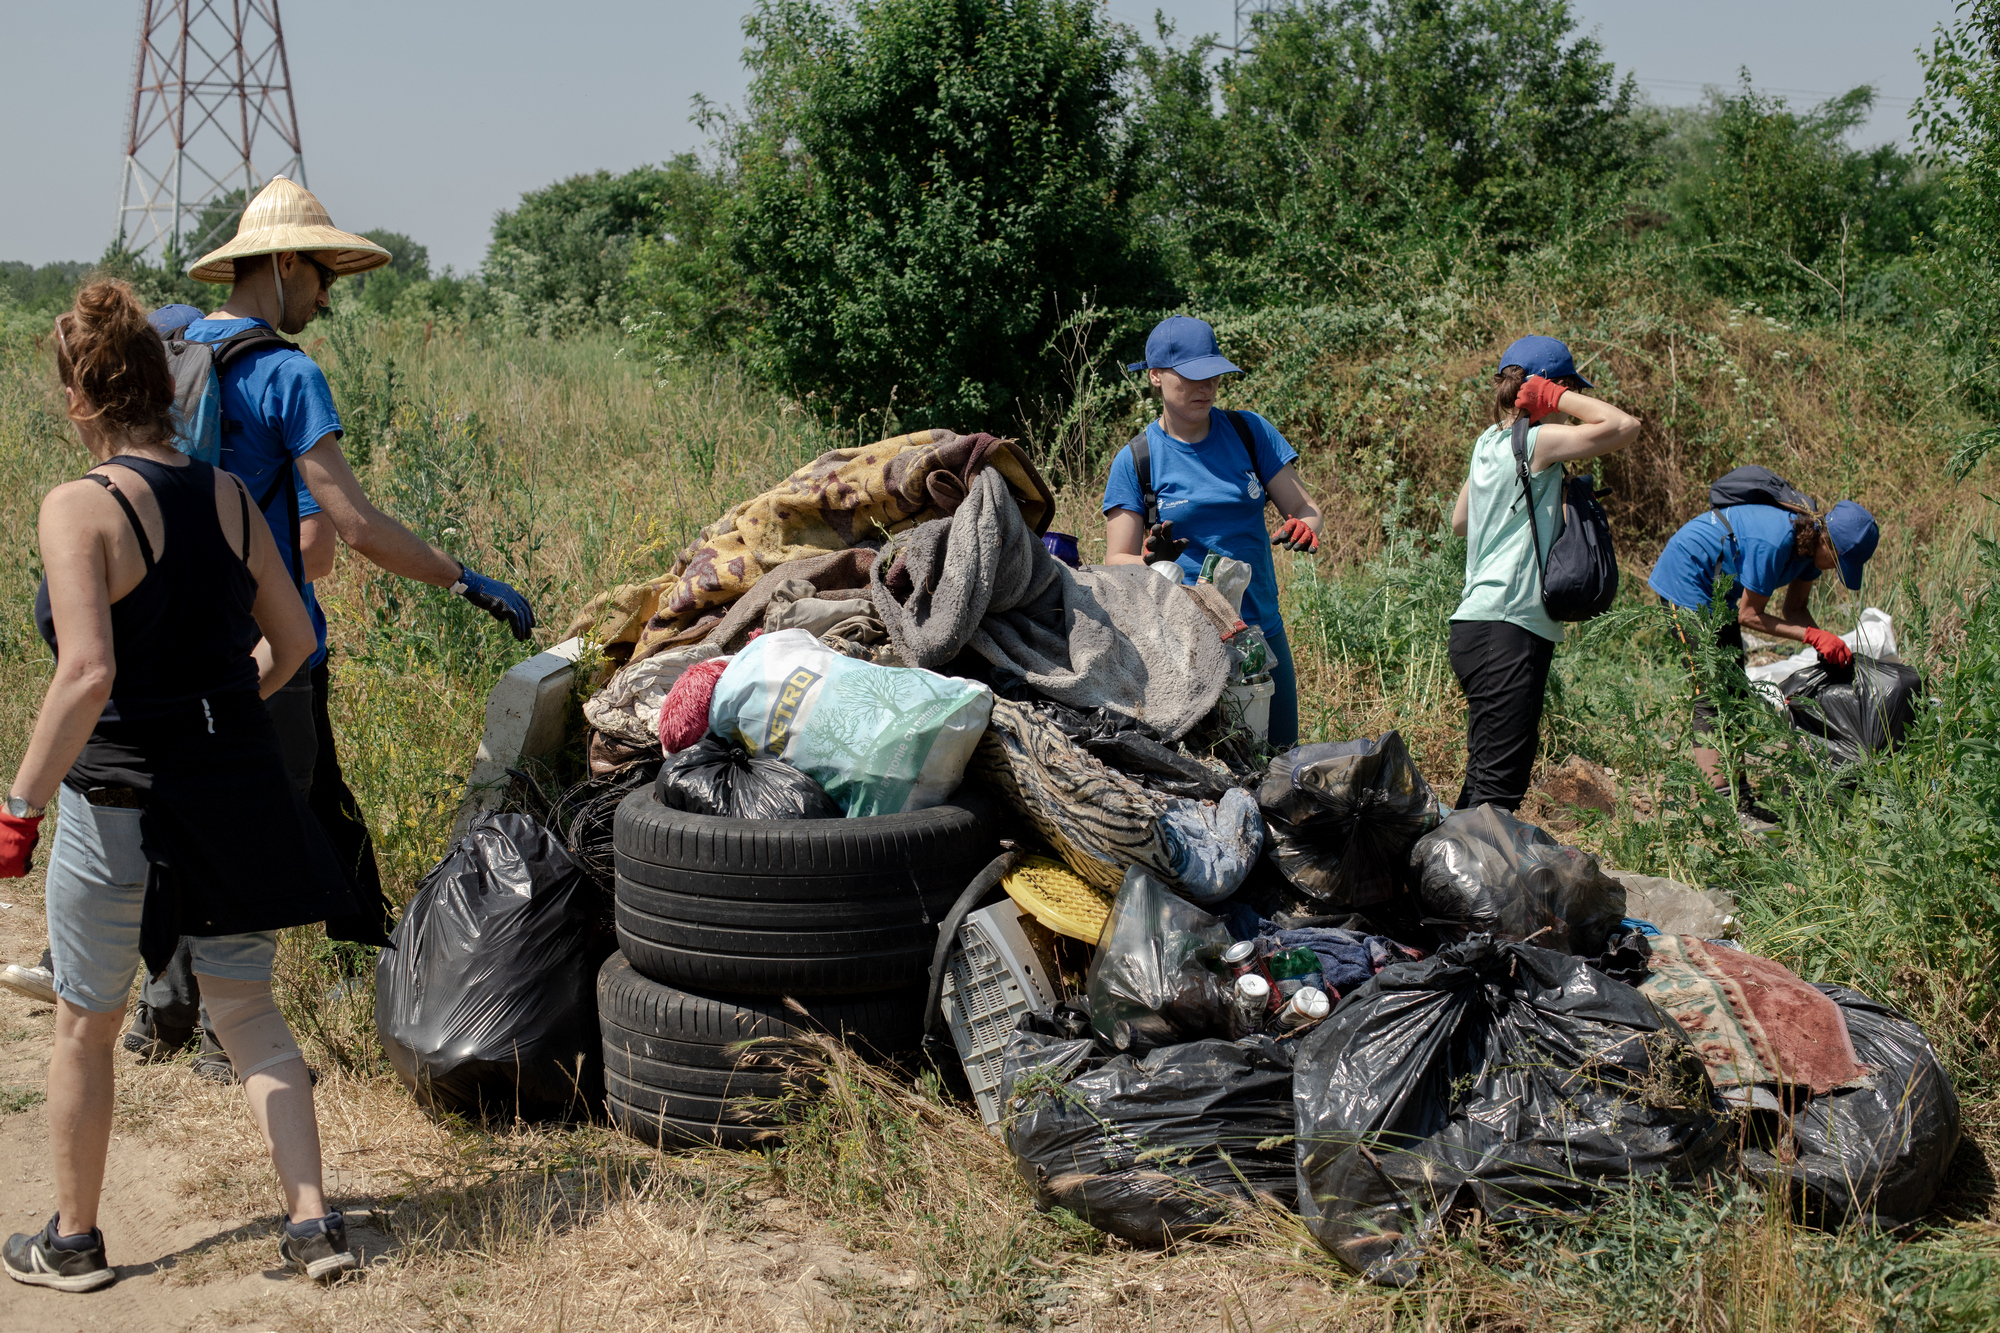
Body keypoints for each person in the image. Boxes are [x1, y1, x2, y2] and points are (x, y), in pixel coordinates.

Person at [120, 176, 537, 1080]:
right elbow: (351, 528)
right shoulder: (285, 372)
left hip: (168, 634)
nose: (326, 296)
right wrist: (463, 578)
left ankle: (163, 1010)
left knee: (186, 817)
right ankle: (228, 1044)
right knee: (252, 836)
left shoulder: (173, 350)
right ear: (278, 266)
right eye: (320, 277)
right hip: (268, 644)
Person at [1, 282, 362, 1290]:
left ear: (79, 400)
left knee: (88, 1018)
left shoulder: (78, 507)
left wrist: (20, 805)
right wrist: (217, 707)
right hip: (233, 793)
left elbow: (86, 674)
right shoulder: (228, 496)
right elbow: (291, 642)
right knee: (248, 1011)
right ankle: (314, 1228)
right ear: (169, 385)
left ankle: (72, 1242)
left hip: (119, 803)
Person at [1102, 316, 1327, 748]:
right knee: (1206, 768)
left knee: (1278, 759)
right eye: (1190, 377)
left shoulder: (1249, 432)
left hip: (1260, 631)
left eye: (1213, 375)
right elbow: (1116, 559)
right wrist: (1154, 562)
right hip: (1184, 641)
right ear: (1155, 376)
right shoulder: (1136, 460)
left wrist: (1304, 525)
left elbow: (1304, 507)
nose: (1205, 387)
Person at [1448, 336, 1640, 811]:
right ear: (1548, 390)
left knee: (1485, 779)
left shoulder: (1488, 443)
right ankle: (1465, 880)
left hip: (1478, 625)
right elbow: (1623, 425)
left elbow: (1459, 522)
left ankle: (1450, 873)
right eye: (1566, 393)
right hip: (1508, 628)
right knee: (1498, 791)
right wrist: (1553, 397)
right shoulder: (1537, 442)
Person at [1648, 483, 1880, 828]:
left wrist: (1827, 643)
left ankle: (1740, 799)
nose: (1836, 570)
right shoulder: (1774, 542)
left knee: (1737, 691)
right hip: (1688, 578)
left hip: (1719, 592)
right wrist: (1813, 636)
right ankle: (1723, 807)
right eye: (1840, 561)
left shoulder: (1810, 555)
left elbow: (1795, 609)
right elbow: (1750, 616)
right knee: (1711, 691)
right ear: (1827, 542)